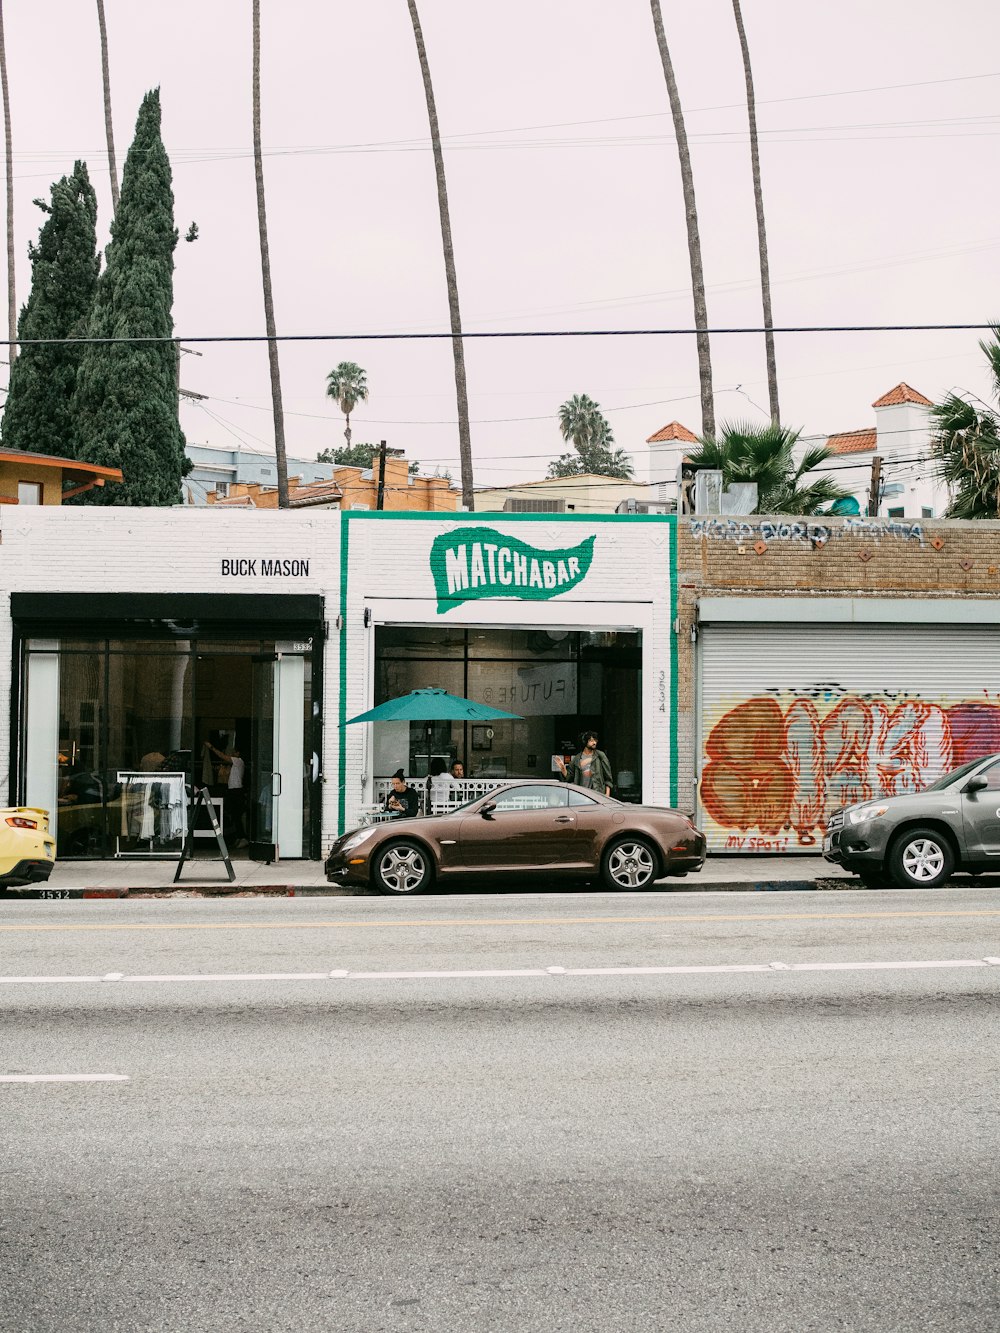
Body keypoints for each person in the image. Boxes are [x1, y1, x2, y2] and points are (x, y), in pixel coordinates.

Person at [557, 730, 613, 796]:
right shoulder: (577, 759)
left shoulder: (600, 756)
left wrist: (607, 793)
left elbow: (608, 777)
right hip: (582, 795)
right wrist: (563, 769)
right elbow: (570, 778)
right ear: (585, 742)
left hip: (598, 794)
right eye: (591, 740)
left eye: (595, 740)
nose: (594, 743)